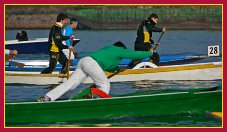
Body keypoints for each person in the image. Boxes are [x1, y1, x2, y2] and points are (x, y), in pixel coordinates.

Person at [37, 41, 154, 102]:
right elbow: (135, 54)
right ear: (121, 48)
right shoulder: (119, 50)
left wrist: (118, 69)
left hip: (84, 61)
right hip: (92, 64)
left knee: (70, 85)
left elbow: (107, 65)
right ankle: (98, 102)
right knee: (104, 84)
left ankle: (47, 97)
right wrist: (150, 53)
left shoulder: (108, 49)